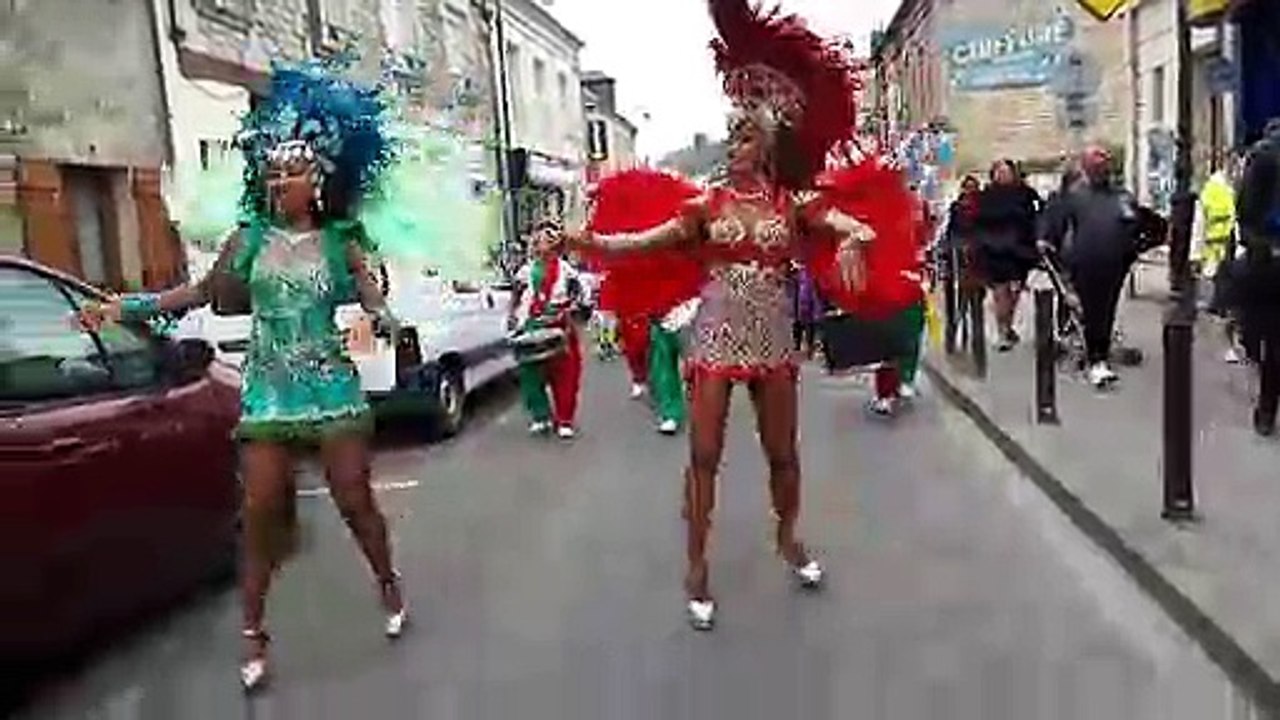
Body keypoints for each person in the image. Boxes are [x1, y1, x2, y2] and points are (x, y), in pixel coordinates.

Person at [569, 0, 919, 630]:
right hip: (716, 340)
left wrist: (854, 240)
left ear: (766, 145)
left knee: (783, 456)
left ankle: (789, 539)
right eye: (730, 135)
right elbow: (641, 242)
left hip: (775, 342)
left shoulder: (792, 202)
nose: (734, 145)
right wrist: (584, 244)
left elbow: (849, 222)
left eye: (745, 136)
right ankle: (697, 565)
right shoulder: (703, 206)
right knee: (703, 455)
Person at [77, 56, 408, 692]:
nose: (283, 181)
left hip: (330, 388)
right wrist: (123, 305)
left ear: (318, 180)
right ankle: (254, 631)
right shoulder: (247, 239)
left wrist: (384, 318)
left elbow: (370, 297)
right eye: (274, 173)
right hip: (268, 392)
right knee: (257, 512)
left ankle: (388, 581)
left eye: (295, 173)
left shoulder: (344, 240)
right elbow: (198, 293)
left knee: (355, 502)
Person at [1043, 146, 1146, 388]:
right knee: (1089, 311)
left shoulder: (1122, 197)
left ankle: (1099, 355)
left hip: (1114, 263)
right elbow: (1055, 226)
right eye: (1096, 165)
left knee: (1106, 311)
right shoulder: (1074, 197)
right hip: (1084, 262)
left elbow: (1137, 224)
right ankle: (1095, 359)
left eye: (1104, 165)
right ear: (1087, 169)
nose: (1102, 169)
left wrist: (1132, 249)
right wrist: (1048, 244)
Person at [509, 221, 584, 439]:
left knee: (566, 376)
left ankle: (565, 419)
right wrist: (513, 320)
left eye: (549, 238)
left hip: (559, 325)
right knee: (531, 375)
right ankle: (540, 416)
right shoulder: (524, 272)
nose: (543, 242)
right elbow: (515, 299)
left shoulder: (567, 272)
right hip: (530, 326)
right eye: (540, 238)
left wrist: (566, 310)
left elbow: (579, 297)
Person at [1235, 118, 1280, 435]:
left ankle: (1266, 412)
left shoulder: (1262, 156)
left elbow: (1245, 214)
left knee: (1272, 341)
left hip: (1270, 260)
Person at [973, 159, 1041, 351]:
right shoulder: (985, 196)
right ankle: (1003, 330)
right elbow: (977, 222)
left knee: (1015, 291)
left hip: (1019, 250)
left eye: (1006, 172)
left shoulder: (1026, 194)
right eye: (999, 172)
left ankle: (1008, 324)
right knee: (1000, 290)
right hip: (994, 250)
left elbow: (1036, 214)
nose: (1003, 175)